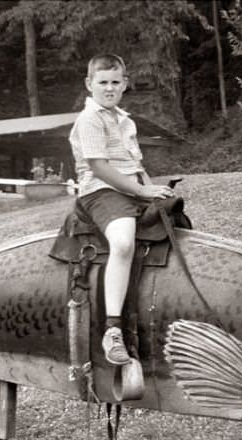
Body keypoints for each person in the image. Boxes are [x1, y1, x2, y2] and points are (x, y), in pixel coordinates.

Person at [68, 53, 174, 366]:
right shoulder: (89, 119)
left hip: (132, 189)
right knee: (124, 242)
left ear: (125, 84)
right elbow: (99, 167)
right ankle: (112, 328)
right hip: (101, 192)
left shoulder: (124, 120)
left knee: (172, 221)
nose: (110, 88)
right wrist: (141, 191)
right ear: (90, 84)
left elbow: (135, 165)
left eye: (116, 82)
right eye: (103, 83)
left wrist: (151, 191)